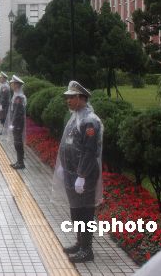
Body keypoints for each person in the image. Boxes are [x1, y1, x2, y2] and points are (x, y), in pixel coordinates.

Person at [52, 81, 103, 263]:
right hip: (71, 173)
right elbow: (68, 144)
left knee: (85, 212)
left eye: (72, 97)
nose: (68, 101)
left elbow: (90, 152)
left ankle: (87, 250)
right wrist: (62, 167)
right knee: (76, 211)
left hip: (84, 175)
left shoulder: (90, 121)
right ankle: (80, 242)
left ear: (82, 98)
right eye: (67, 97)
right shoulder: (76, 117)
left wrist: (81, 176)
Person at [3, 75, 26, 169]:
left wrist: (12, 124)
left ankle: (21, 163)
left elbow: (17, 113)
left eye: (12, 83)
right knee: (17, 142)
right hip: (16, 124)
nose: (11, 84)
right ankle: (19, 161)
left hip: (18, 124)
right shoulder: (16, 96)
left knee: (18, 143)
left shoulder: (19, 98)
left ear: (16, 85)